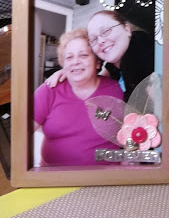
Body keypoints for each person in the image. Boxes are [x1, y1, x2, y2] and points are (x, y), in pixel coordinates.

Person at [34, 28, 123, 166]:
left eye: (83, 55)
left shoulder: (116, 90)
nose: (75, 62)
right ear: (63, 64)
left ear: (97, 62)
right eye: (69, 57)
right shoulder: (48, 91)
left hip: (106, 176)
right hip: (54, 175)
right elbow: (20, 134)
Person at [46, 10, 154, 102]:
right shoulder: (115, 63)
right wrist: (71, 71)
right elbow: (102, 77)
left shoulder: (142, 52)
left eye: (106, 31)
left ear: (127, 29)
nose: (101, 41)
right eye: (94, 39)